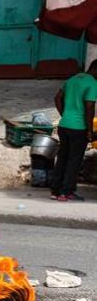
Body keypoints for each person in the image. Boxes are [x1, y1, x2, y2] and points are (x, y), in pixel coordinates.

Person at [50, 61, 97, 202]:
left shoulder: (73, 79)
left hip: (64, 125)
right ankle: (66, 192)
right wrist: (90, 130)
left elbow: (57, 98)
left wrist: (65, 115)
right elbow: (89, 108)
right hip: (79, 128)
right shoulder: (93, 83)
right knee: (74, 160)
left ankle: (55, 190)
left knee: (62, 157)